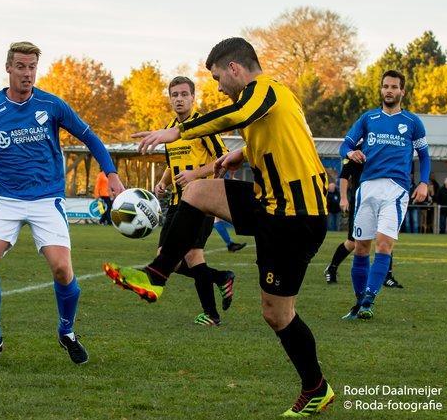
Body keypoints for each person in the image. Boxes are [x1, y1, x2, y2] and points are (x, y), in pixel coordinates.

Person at [104, 38, 334, 416]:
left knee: (277, 314)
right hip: (270, 205)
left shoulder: (265, 90)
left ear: (234, 69)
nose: (218, 87)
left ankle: (316, 388)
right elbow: (283, 136)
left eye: (216, 78)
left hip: (296, 218)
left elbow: (237, 115)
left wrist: (178, 131)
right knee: (196, 191)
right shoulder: (274, 100)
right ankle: (156, 275)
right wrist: (238, 154)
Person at [0, 41, 124, 364]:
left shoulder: (52, 105)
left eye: (32, 67)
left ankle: (67, 331)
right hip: (5, 198)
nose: (27, 73)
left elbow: (89, 136)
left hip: (47, 198)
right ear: (8, 68)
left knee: (62, 269)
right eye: (21, 66)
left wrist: (111, 173)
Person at [339, 69, 430, 320]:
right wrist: (350, 153)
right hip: (366, 188)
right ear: (381, 89)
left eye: (394, 87)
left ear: (402, 91)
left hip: (396, 189)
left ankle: (369, 298)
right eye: (385, 86)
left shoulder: (412, 122)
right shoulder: (368, 118)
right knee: (360, 248)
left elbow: (424, 155)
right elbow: (344, 144)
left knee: (383, 244)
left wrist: (423, 183)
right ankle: (359, 304)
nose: (389, 90)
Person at [152, 76, 235, 326]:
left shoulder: (204, 125)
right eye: (174, 94)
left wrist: (195, 175)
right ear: (170, 99)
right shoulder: (170, 129)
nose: (179, 98)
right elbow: (171, 164)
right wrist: (164, 182)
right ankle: (221, 277)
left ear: (193, 97)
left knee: (193, 255)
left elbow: (225, 158)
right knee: (165, 258)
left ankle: (211, 314)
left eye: (184, 94)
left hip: (201, 202)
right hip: (178, 203)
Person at [323, 149, 402, 288]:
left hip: (382, 199)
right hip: (361, 202)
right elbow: (344, 176)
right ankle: (332, 267)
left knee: (385, 235)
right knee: (353, 242)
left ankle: (387, 276)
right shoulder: (359, 151)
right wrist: (343, 198)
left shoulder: (384, 147)